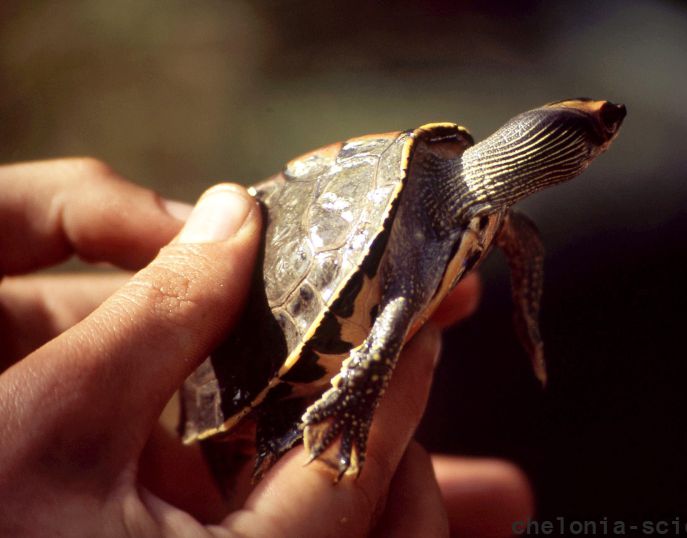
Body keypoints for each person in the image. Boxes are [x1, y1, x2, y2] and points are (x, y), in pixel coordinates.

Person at [0, 158, 533, 537]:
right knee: (367, 356)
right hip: (266, 354)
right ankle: (285, 428)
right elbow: (386, 328)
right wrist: (349, 406)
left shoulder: (473, 209)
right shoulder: (431, 205)